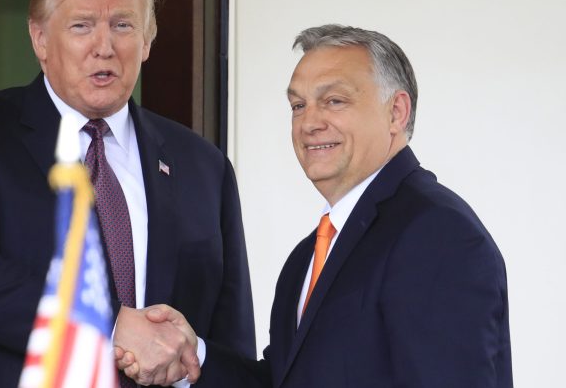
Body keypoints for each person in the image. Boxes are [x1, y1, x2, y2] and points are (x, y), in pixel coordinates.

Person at [0, 0, 255, 387]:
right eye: (81, 26)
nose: (104, 47)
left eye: (123, 25)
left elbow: (230, 340)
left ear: (147, 40)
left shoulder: (203, 165)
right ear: (40, 40)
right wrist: (108, 326)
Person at [121, 24, 513, 387]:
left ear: (397, 112)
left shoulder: (437, 235)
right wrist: (194, 356)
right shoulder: (307, 257)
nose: (309, 123)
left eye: (334, 101)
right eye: (298, 106)